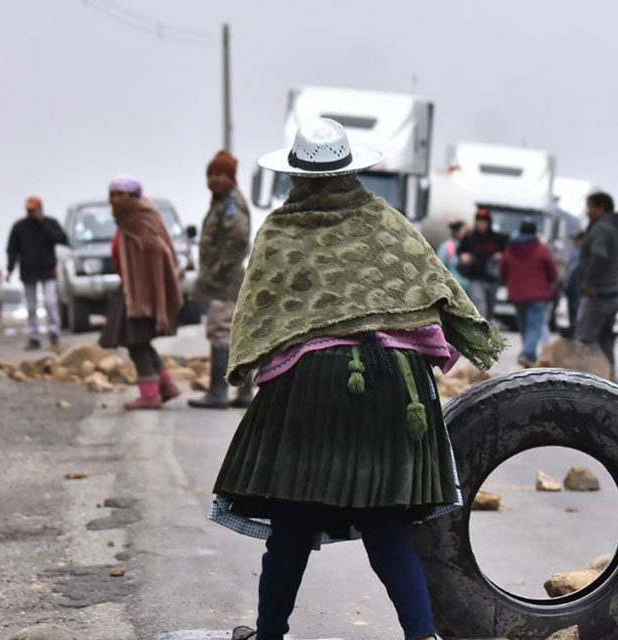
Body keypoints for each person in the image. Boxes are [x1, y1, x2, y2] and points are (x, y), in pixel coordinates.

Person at [208, 118, 505, 640]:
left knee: (293, 524)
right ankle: (422, 636)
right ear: (350, 170)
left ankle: (269, 634)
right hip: (394, 385)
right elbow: (435, 287)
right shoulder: (385, 222)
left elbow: (262, 314)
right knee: (385, 524)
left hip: (309, 386)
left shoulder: (280, 230)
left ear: (296, 173)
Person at [97, 175, 185, 411]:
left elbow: (158, 253)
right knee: (139, 341)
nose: (115, 200)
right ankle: (165, 385)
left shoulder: (140, 218)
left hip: (141, 293)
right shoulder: (126, 219)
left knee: (135, 342)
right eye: (112, 195)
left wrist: (148, 289)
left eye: (120, 194)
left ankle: (150, 394)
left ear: (133, 196)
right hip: (130, 288)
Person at [189, 151, 254, 410]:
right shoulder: (221, 201)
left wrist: (218, 268)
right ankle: (244, 392)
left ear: (231, 178)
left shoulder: (231, 203)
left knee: (221, 333)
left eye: (220, 175)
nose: (214, 180)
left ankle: (218, 392)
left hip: (225, 281)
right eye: (211, 175)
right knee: (234, 333)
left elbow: (238, 238)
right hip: (223, 279)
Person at [575, 191, 618, 375]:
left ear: (599, 207)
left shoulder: (601, 228)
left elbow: (599, 255)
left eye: (589, 207)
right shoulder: (615, 228)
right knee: (605, 340)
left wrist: (589, 282)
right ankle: (609, 379)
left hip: (600, 293)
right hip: (614, 292)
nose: (587, 211)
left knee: (587, 339)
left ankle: (591, 380)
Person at [6, 196, 69, 350]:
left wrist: (42, 223)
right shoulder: (19, 227)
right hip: (28, 271)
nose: (31, 213)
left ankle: (54, 334)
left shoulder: (50, 223)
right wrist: (10, 269)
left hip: (47, 270)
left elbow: (62, 239)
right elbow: (12, 249)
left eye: (34, 210)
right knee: (31, 306)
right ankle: (34, 337)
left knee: (51, 302)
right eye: (29, 210)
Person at [501, 220, 558, 367]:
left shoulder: (510, 249)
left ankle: (527, 351)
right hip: (537, 294)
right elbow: (552, 272)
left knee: (523, 324)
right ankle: (528, 353)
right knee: (534, 325)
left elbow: (503, 270)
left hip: (517, 294)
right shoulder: (542, 249)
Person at [456, 208, 508, 321]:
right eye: (479, 221)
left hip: (493, 279)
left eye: (484, 222)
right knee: (480, 306)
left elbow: (509, 253)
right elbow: (460, 252)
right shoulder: (469, 238)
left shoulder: (499, 239)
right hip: (476, 278)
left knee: (489, 308)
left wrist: (500, 256)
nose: (481, 224)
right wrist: (464, 257)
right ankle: (481, 330)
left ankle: (486, 327)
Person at [436, 220, 470, 290]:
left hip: (467, 285)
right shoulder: (447, 246)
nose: (466, 233)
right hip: (453, 284)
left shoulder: (470, 246)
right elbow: (440, 264)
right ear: (456, 232)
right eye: (463, 231)